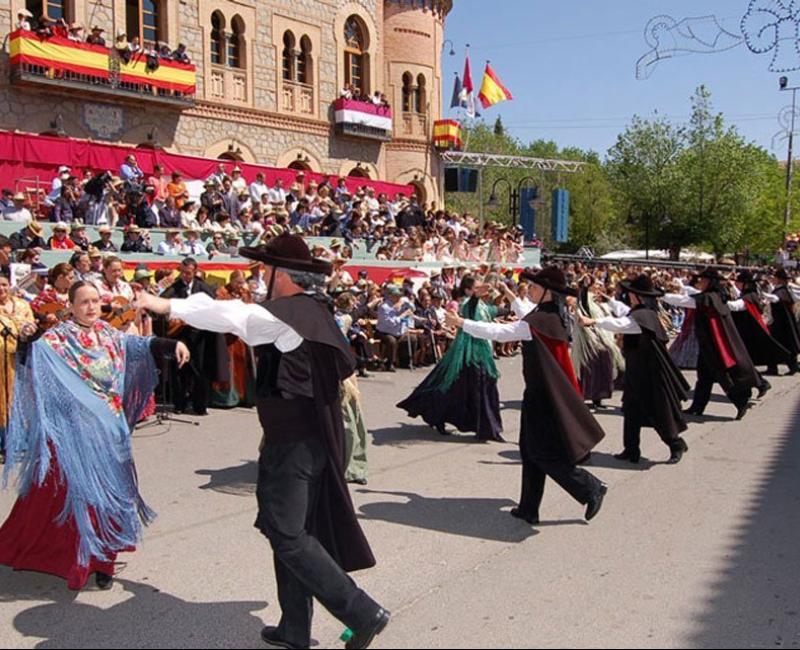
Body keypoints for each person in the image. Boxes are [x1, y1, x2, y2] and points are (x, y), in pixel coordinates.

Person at [136, 234, 389, 650]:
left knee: (286, 532)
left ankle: (361, 612)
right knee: (289, 531)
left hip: (294, 444)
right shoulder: (308, 312)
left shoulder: (287, 314)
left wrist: (164, 305)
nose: (260, 277)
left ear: (281, 276)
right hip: (303, 439)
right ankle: (294, 627)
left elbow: (233, 315)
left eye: (265, 269)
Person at [0, 281, 188, 590]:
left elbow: (140, 346)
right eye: (84, 302)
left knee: (113, 497)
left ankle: (105, 560)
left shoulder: (108, 334)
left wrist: (171, 345)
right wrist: (26, 341)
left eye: (95, 301)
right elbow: (34, 359)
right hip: (75, 435)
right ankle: (82, 558)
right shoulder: (58, 340)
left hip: (109, 431)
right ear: (70, 306)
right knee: (83, 499)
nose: (91, 307)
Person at [446, 267, 608, 525]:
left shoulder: (540, 321)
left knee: (541, 453)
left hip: (544, 396)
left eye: (534, 287)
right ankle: (529, 507)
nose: (529, 290)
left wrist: (462, 323)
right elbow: (523, 317)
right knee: (529, 451)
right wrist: (510, 295)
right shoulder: (550, 315)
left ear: (548, 292)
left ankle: (589, 488)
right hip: (541, 392)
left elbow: (503, 333)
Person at [581, 274, 691, 464]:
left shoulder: (643, 316)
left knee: (659, 411)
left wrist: (595, 322)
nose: (628, 296)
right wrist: (610, 301)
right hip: (637, 371)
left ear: (638, 296)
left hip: (650, 373)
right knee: (631, 410)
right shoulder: (642, 311)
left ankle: (675, 443)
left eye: (631, 293)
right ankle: (631, 450)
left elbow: (625, 324)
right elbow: (625, 313)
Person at [398, 277, 504, 441]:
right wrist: (477, 294)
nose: (481, 289)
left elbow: (495, 310)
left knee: (484, 386)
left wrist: (503, 293)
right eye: (476, 287)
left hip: (482, 350)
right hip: (467, 351)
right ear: (468, 290)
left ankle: (490, 428)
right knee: (463, 386)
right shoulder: (467, 303)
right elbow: (471, 306)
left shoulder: (483, 305)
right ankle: (441, 417)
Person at [663, 268, 760, 420]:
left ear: (709, 281)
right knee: (704, 378)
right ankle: (697, 407)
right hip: (709, 345)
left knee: (722, 376)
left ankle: (740, 402)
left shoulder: (708, 298)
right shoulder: (715, 296)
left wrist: (662, 295)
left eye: (702, 279)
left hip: (713, 347)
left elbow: (685, 301)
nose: (700, 282)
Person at [158, 258, 218, 415]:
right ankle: (180, 404)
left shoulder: (203, 287)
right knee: (180, 369)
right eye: (183, 272)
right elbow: (163, 303)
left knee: (200, 370)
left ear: (195, 271)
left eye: (188, 273)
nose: (185, 276)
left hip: (199, 336)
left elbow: (213, 305)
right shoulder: (175, 288)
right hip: (180, 335)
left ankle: (200, 404)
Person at [730, 270, 789, 393]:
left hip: (748, 334)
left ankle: (759, 384)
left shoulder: (749, 296)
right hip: (746, 332)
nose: (737, 284)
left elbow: (737, 305)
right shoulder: (749, 294)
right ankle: (757, 384)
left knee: (743, 362)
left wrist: (721, 304)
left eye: (739, 282)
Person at [0, 273, 36, 464]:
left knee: (19, 399)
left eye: (4, 285)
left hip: (19, 358)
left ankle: (18, 441)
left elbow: (31, 324)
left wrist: (27, 329)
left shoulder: (22, 305)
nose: (2, 289)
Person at [766, 269, 800, 376]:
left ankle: (791, 366)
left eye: (775, 277)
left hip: (782, 324)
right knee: (777, 345)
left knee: (781, 345)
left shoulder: (782, 291)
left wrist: (763, 295)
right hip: (780, 322)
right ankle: (773, 367)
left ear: (779, 279)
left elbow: (776, 299)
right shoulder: (781, 289)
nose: (773, 279)